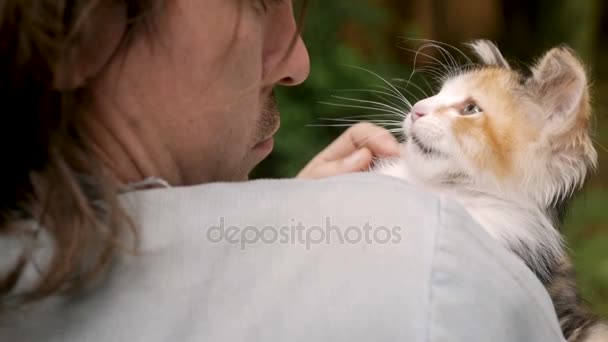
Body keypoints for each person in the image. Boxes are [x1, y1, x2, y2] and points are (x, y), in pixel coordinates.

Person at [0, 1, 565, 341]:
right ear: (82, 28)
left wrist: (272, 230)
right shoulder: (432, 263)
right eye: (257, 2)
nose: (298, 62)